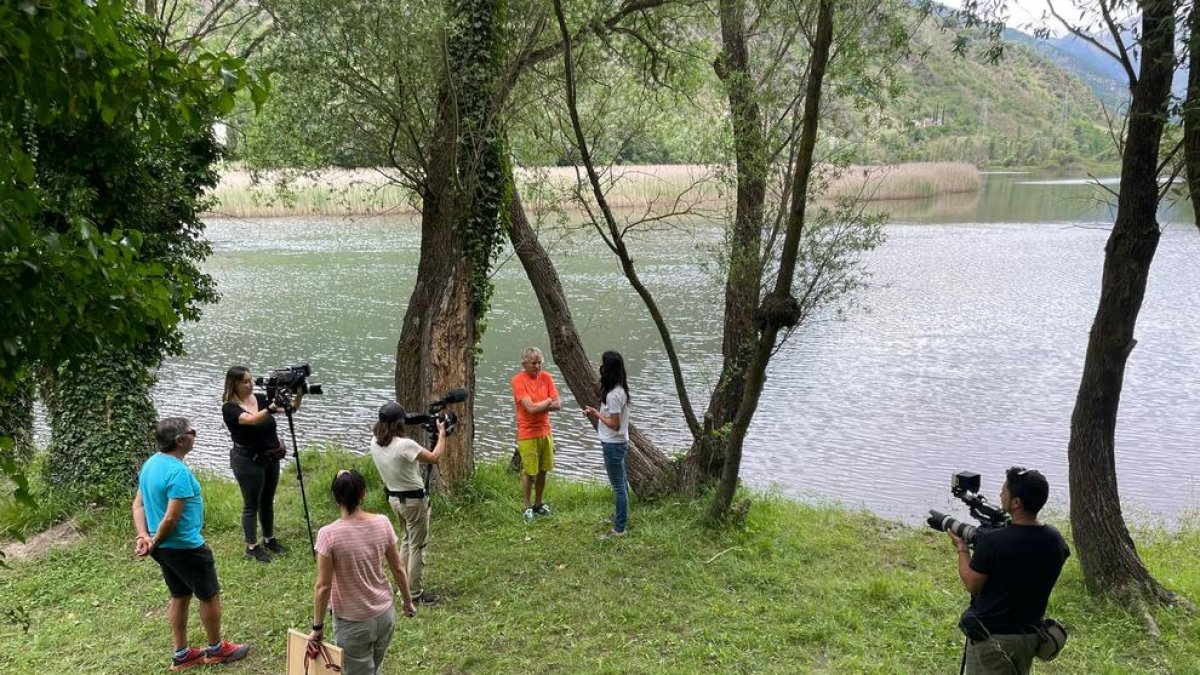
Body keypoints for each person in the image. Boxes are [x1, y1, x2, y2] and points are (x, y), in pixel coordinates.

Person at [132, 417, 250, 671]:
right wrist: (153, 540)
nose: (195, 434)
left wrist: (144, 536)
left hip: (163, 549)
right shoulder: (178, 472)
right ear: (180, 440)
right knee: (208, 595)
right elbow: (172, 517)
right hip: (185, 546)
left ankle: (182, 654)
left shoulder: (151, 464)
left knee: (180, 595)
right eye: (192, 432)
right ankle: (217, 649)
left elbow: (138, 504)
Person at [949, 467, 1070, 675]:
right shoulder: (1055, 540)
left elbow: (972, 583)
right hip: (1030, 635)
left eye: (1004, 490)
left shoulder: (993, 542)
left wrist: (961, 547)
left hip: (991, 638)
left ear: (1016, 503)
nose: (1000, 494)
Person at [309, 469, 416, 675]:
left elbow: (323, 586)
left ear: (334, 497)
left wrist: (317, 627)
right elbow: (398, 568)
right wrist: (407, 601)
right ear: (363, 494)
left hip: (351, 623)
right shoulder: (382, 523)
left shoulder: (328, 535)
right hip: (384, 615)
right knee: (376, 665)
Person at [369, 401, 447, 606]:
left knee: (406, 539)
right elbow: (434, 457)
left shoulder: (375, 442)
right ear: (399, 423)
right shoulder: (405, 446)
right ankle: (414, 593)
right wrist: (442, 435)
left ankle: (401, 585)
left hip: (394, 499)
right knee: (418, 545)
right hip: (413, 501)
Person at [221, 365, 299, 563]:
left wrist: (299, 394)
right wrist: (271, 408)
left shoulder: (260, 398)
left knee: (267, 500)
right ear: (234, 384)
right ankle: (251, 547)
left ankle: (269, 539)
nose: (251, 383)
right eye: (246, 381)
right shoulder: (229, 407)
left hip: (270, 457)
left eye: (252, 379)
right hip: (247, 461)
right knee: (251, 504)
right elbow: (252, 420)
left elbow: (290, 409)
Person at [583, 351, 631, 539]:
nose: (599, 367)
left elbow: (615, 424)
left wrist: (596, 414)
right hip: (620, 443)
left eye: (602, 364)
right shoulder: (621, 390)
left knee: (618, 486)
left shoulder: (613, 396)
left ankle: (619, 529)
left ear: (608, 369)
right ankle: (621, 516)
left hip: (613, 445)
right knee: (622, 483)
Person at [511, 347, 562, 523]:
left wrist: (543, 404)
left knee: (543, 470)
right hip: (527, 432)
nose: (537, 366)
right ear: (524, 363)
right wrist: (548, 400)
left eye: (540, 362)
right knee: (529, 472)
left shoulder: (547, 377)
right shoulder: (518, 380)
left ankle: (538, 504)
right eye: (533, 363)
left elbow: (558, 405)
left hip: (545, 431)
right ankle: (527, 507)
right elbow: (530, 409)